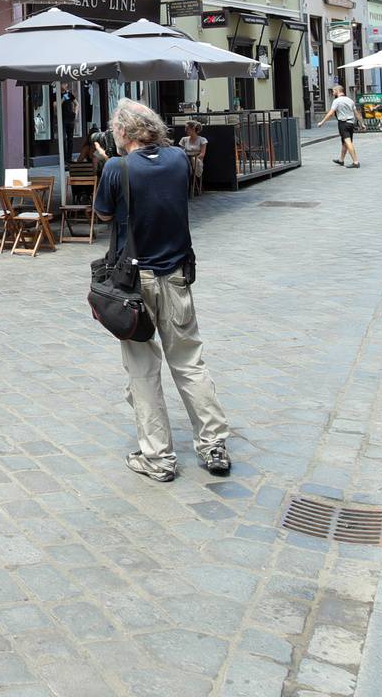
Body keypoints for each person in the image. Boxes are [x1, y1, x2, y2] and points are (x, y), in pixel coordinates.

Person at [93, 99, 231, 482]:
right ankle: (214, 442)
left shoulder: (116, 167)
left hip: (133, 283)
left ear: (123, 131)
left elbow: (104, 214)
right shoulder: (177, 160)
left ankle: (158, 456)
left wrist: (106, 161)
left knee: (142, 368)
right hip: (176, 274)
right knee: (189, 360)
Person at [321, 83, 359, 169]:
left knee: (348, 142)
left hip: (343, 123)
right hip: (351, 123)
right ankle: (341, 160)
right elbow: (356, 113)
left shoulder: (337, 101)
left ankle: (355, 162)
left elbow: (331, 113)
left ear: (338, 91)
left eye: (334, 91)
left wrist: (322, 122)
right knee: (344, 143)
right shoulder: (350, 100)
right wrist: (362, 123)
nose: (333, 92)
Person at [179, 122, 208, 196]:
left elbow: (202, 154)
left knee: (192, 161)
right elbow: (181, 152)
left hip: (196, 160)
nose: (185, 130)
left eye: (187, 128)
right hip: (186, 159)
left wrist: (193, 158)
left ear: (193, 129)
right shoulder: (184, 139)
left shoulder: (202, 140)